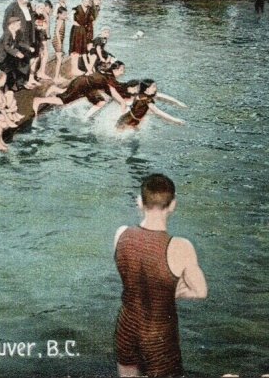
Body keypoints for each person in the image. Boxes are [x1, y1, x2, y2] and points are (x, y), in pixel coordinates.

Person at [114, 174, 207, 378]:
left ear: (140, 202)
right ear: (173, 204)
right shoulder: (180, 246)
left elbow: (132, 275)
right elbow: (200, 291)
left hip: (127, 326)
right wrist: (174, 292)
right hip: (159, 335)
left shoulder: (121, 234)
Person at [116, 80, 186, 130]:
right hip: (127, 121)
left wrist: (178, 102)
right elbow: (157, 111)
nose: (156, 88)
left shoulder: (142, 94)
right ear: (146, 89)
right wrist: (175, 120)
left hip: (129, 119)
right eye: (154, 87)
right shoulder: (146, 99)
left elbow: (162, 96)